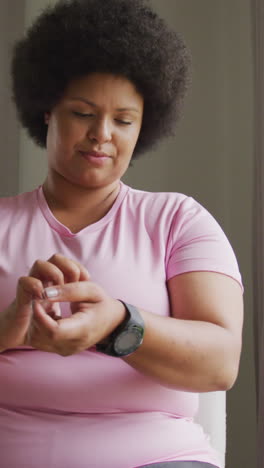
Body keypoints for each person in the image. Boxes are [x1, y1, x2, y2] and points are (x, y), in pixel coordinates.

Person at [0, 0, 243, 467]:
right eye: (83, 113)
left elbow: (220, 363)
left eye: (123, 120)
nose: (102, 135)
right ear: (47, 110)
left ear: (143, 128)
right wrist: (9, 329)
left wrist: (118, 324)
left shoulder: (179, 220)